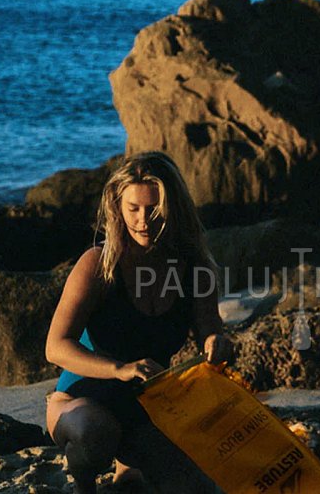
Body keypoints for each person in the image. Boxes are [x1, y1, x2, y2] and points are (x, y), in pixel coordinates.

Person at [45, 152, 232, 493]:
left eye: (154, 209)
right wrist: (119, 368)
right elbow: (55, 347)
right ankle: (84, 483)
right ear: (118, 207)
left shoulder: (195, 268)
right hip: (82, 400)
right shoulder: (98, 264)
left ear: (173, 207)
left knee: (197, 489)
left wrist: (215, 344)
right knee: (96, 432)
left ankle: (128, 470)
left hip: (149, 409)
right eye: (133, 209)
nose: (143, 220)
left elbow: (210, 329)